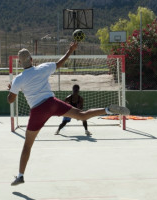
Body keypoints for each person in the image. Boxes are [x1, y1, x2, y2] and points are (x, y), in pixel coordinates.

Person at [7, 42, 130, 186]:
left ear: (20, 62)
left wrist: (11, 90)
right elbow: (60, 63)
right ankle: (107, 110)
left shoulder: (18, 79)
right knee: (82, 114)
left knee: (27, 145)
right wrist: (70, 49)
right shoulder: (42, 68)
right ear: (32, 59)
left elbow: (10, 100)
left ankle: (20, 176)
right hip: (52, 103)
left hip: (38, 110)